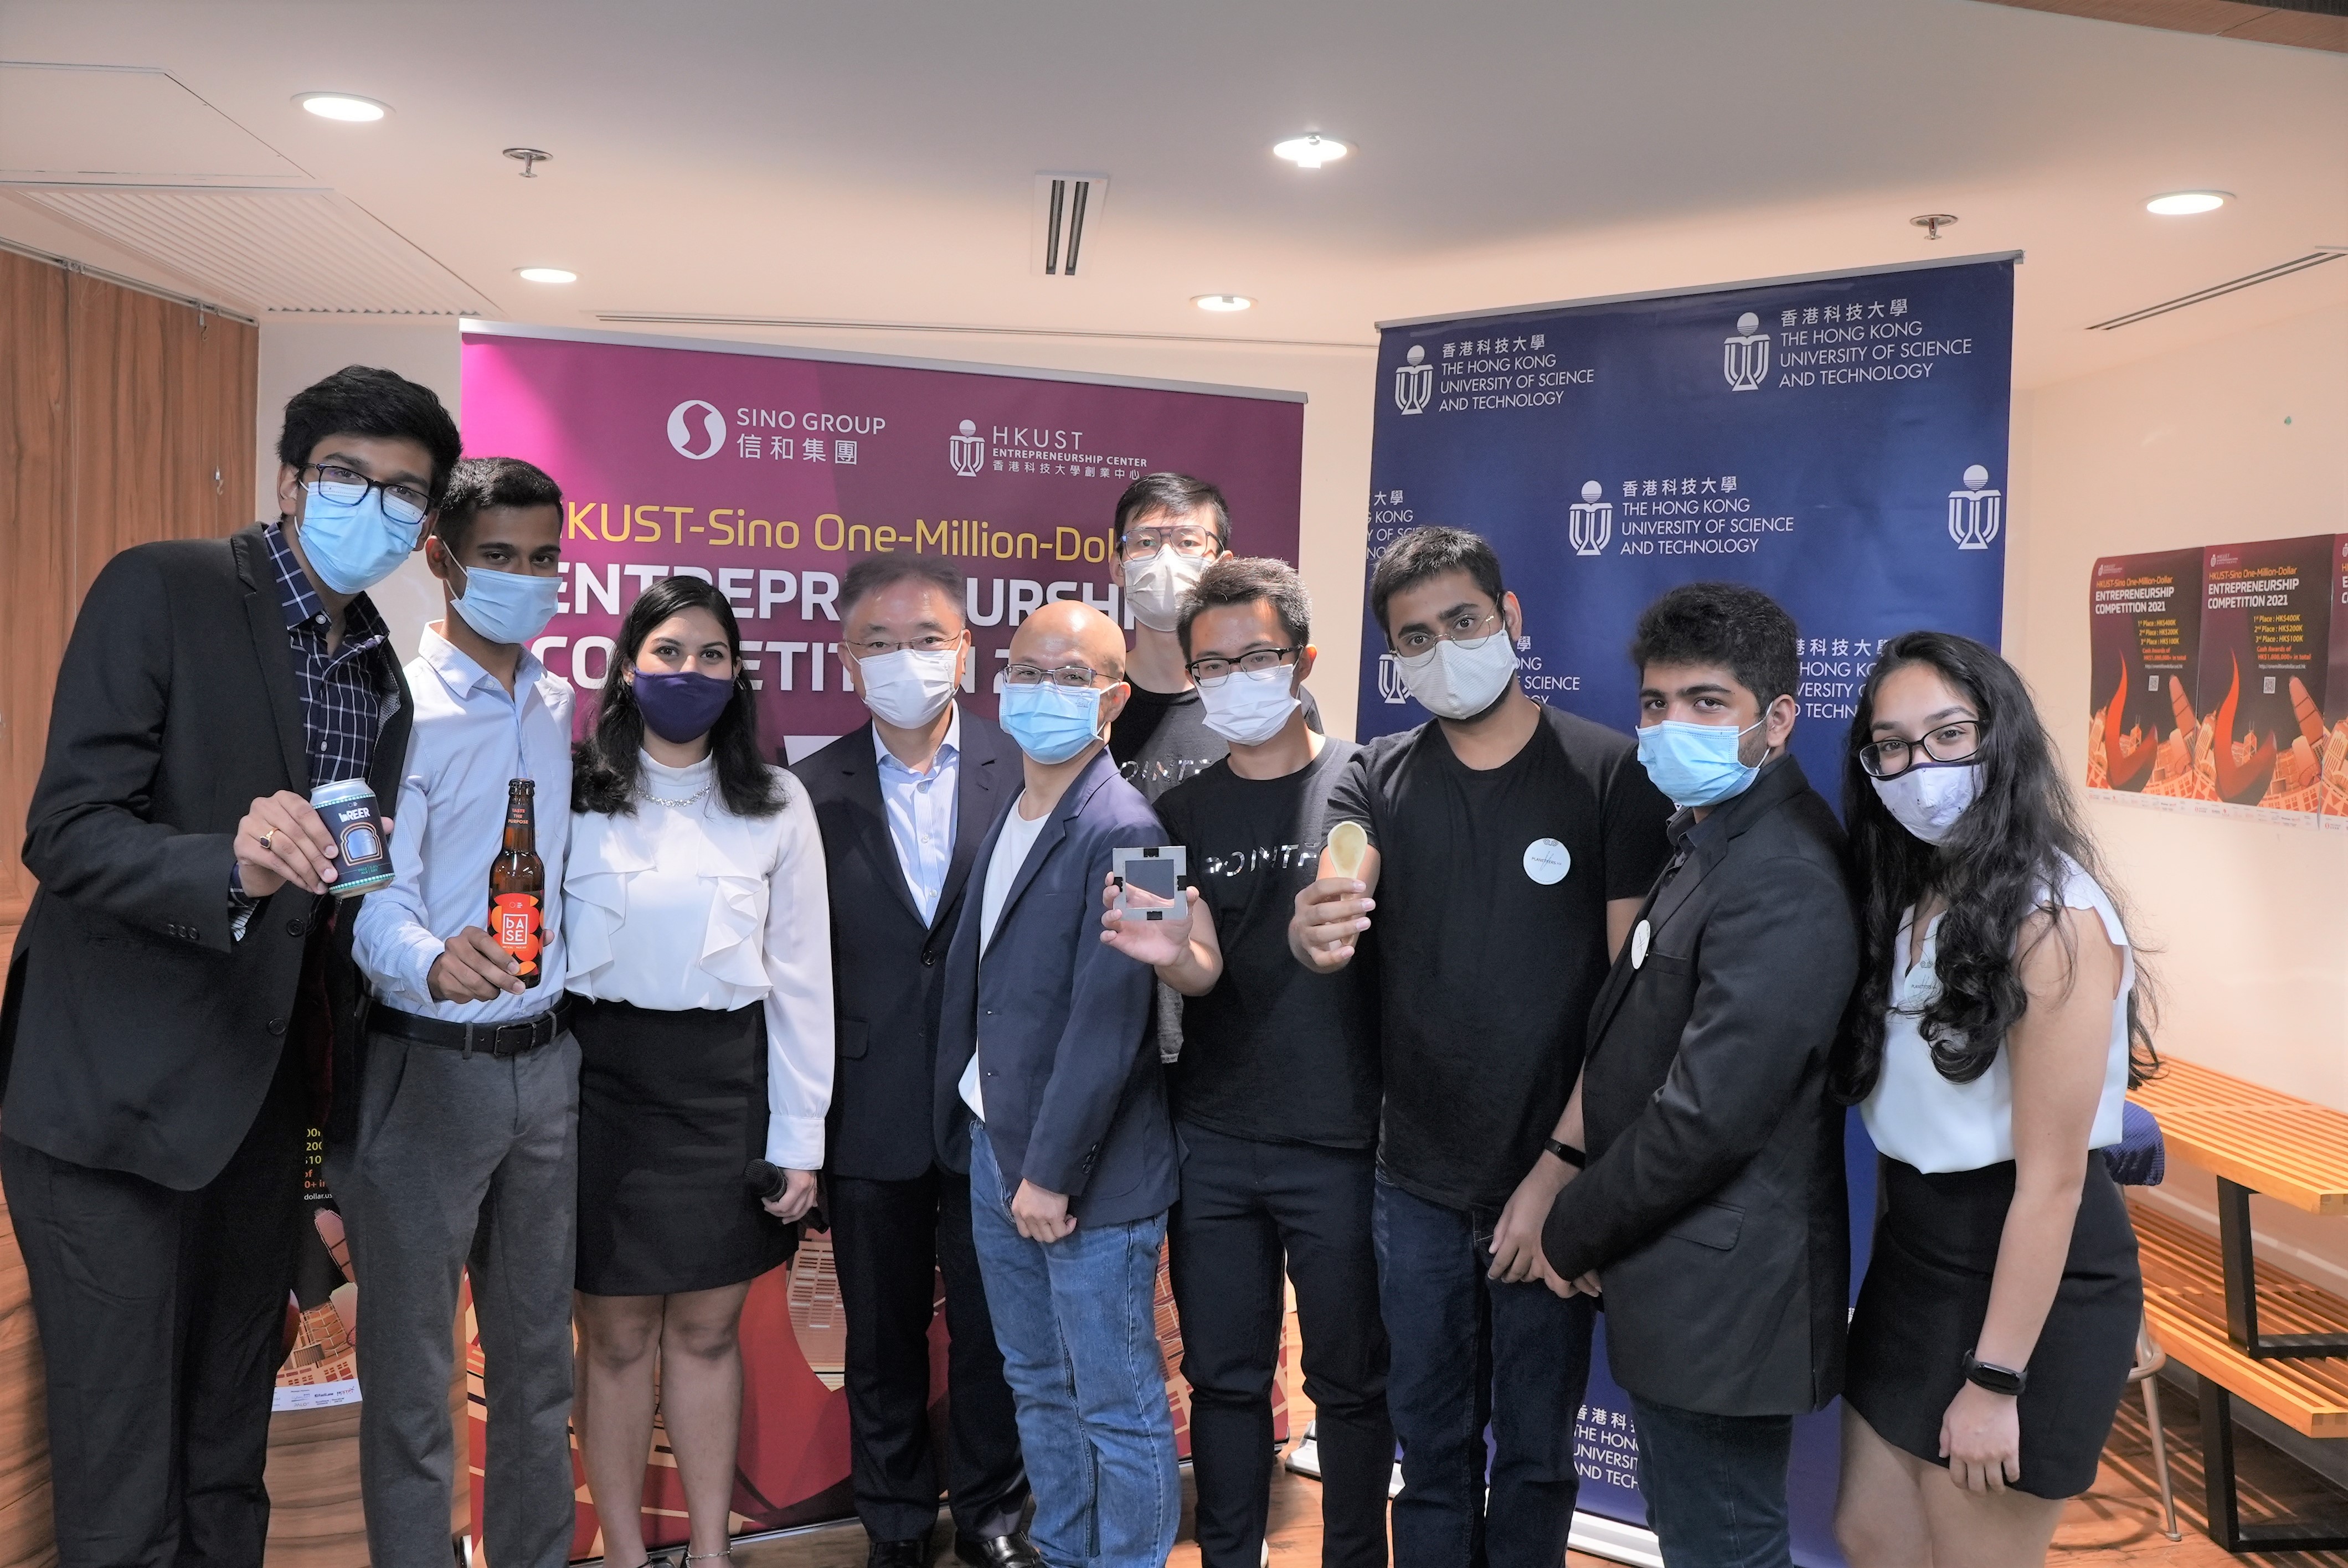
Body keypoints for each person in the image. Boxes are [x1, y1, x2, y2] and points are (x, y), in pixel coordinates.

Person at [0, 364, 452, 1567]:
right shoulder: (166, 589)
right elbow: (67, 831)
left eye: (409, 493)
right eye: (350, 475)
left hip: (259, 1124)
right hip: (111, 1112)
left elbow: (337, 916)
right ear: (292, 479)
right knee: (123, 1469)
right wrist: (229, 865)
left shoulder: (381, 680)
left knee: (223, 1458)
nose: (378, 506)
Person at [1289, 525, 1672, 1568]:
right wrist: (1316, 920)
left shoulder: (1610, 775)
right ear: (1394, 658)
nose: (1444, 648)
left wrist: (1562, 1170)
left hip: (1552, 1177)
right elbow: (1341, 870)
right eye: (1416, 637)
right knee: (1435, 1446)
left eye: (1463, 622)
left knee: (1540, 1456)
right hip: (1413, 1182)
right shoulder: (1377, 774)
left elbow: (1631, 1007)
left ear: (1510, 620)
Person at [1532, 583, 1858, 1567]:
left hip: (1727, 1296)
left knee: (1724, 1545)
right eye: (1657, 702)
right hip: (1679, 1274)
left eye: (1707, 702)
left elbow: (1710, 1115)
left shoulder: (1785, 870)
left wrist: (1574, 1223)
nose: (1672, 724)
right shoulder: (1711, 834)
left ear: (1778, 717)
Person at [1831, 631, 2151, 1568]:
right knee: (1871, 1533)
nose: (1917, 766)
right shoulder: (1913, 891)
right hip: (1917, 1258)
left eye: (1946, 735)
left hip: (2021, 1283)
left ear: (2000, 738)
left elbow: (2053, 1182)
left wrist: (1997, 1378)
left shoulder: (2052, 918)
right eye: (1890, 745)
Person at [1113, 558, 1391, 1568]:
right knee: (1227, 1379)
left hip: (1345, 1140)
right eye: (1213, 664)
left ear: (1303, 660)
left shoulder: (1372, 780)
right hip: (1215, 1140)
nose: (1236, 677)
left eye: (1258, 657)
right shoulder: (1165, 816)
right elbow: (1166, 958)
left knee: (1354, 1381)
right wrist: (1178, 959)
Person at [563, 575, 834, 1568]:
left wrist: (799, 1139)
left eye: (712, 655)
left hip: (728, 1087)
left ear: (738, 674)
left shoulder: (776, 799)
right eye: (669, 651)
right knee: (618, 1337)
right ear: (630, 668)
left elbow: (805, 984)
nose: (690, 671)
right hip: (598, 1091)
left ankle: (714, 1553)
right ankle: (631, 1556)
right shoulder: (571, 788)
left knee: (710, 1334)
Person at [341, 456, 578, 1568]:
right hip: (425, 1069)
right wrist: (432, 961)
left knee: (538, 1373)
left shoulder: (552, 702)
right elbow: (362, 893)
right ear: (440, 558)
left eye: (543, 560)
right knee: (414, 1385)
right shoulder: (396, 709)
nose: (524, 581)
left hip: (548, 1070)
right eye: (499, 558)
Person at [792, 556, 1041, 1568]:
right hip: (869, 1105)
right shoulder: (806, 790)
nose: (907, 661)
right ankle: (894, 1524)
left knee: (994, 1335)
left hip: (996, 1108)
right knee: (880, 1340)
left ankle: (992, 1518)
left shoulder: (1030, 766)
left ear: (968, 651)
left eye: (928, 639)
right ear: (848, 660)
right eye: (881, 643)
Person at [934, 600, 1180, 1568]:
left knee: (1117, 1404)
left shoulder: (1140, 829)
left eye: (1073, 677)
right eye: (1028, 671)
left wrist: (1054, 1172)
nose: (1044, 692)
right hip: (1000, 1154)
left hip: (1084, 1179)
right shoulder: (1015, 807)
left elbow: (1115, 1020)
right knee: (1036, 1383)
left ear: (1114, 700)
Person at [1105, 471, 1320, 801]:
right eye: (1145, 542)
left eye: (1188, 542)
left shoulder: (1275, 699)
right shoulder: (1098, 702)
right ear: (1119, 567)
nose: (1166, 558)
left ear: (1222, 566)